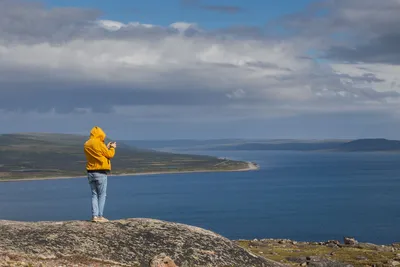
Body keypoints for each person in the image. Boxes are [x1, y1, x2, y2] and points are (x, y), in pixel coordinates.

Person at [83, 126, 117, 222]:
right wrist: (112, 148)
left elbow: (97, 154)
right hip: (100, 172)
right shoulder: (99, 143)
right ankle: (100, 216)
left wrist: (106, 147)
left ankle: (94, 216)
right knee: (102, 195)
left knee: (94, 194)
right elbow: (109, 155)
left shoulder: (87, 144)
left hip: (90, 172)